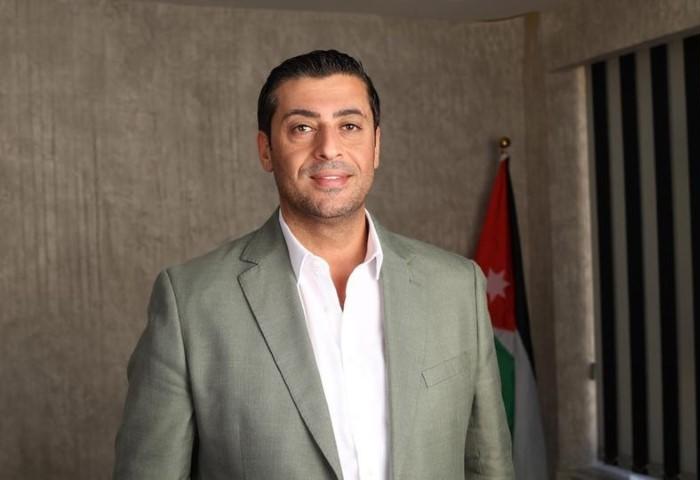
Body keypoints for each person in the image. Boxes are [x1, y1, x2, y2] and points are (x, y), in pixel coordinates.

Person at [113, 49, 514, 480]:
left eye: (349, 126)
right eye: (302, 128)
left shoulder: (457, 289)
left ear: (376, 145)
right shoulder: (190, 304)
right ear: (266, 150)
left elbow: (489, 466)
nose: (328, 148)